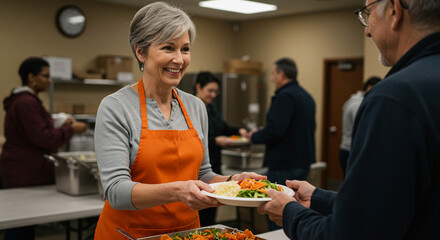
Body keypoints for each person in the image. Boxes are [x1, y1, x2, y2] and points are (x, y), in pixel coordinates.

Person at [258, 0, 440, 239]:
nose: (367, 30)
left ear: (395, 11)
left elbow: (353, 233)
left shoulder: (395, 97)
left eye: (369, 13)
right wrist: (320, 198)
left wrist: (289, 213)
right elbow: (390, 206)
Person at [93, 2, 265, 239]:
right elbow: (116, 191)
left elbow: (203, 174)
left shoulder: (195, 106)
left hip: (187, 232)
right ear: (140, 52)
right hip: (130, 233)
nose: (179, 59)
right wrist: (179, 190)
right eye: (168, 48)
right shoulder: (116, 107)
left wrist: (235, 182)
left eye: (185, 49)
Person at [0, 57, 88, 240]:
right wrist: (70, 130)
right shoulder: (26, 103)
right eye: (45, 76)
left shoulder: (25, 100)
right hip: (24, 171)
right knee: (20, 224)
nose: (49, 80)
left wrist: (59, 122)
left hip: (24, 169)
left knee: (23, 223)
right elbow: (43, 137)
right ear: (31, 77)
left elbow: (36, 128)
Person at [246, 57, 316, 230]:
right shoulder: (306, 96)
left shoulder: (285, 96)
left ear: (281, 74)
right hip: (302, 162)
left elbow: (275, 130)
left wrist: (253, 136)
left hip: (284, 164)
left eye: (273, 74)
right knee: (295, 212)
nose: (271, 78)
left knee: (278, 212)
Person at [194, 71, 248, 226]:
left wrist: (239, 131)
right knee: (201, 211)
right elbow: (194, 140)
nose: (213, 95)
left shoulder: (212, 108)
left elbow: (223, 127)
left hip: (213, 164)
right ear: (199, 87)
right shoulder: (190, 109)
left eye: (215, 91)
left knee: (212, 205)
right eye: (210, 90)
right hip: (197, 166)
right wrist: (215, 141)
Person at [339, 76, 381, 177]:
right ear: (370, 87)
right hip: (350, 150)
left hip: (346, 148)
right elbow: (362, 128)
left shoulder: (352, 101)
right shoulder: (358, 104)